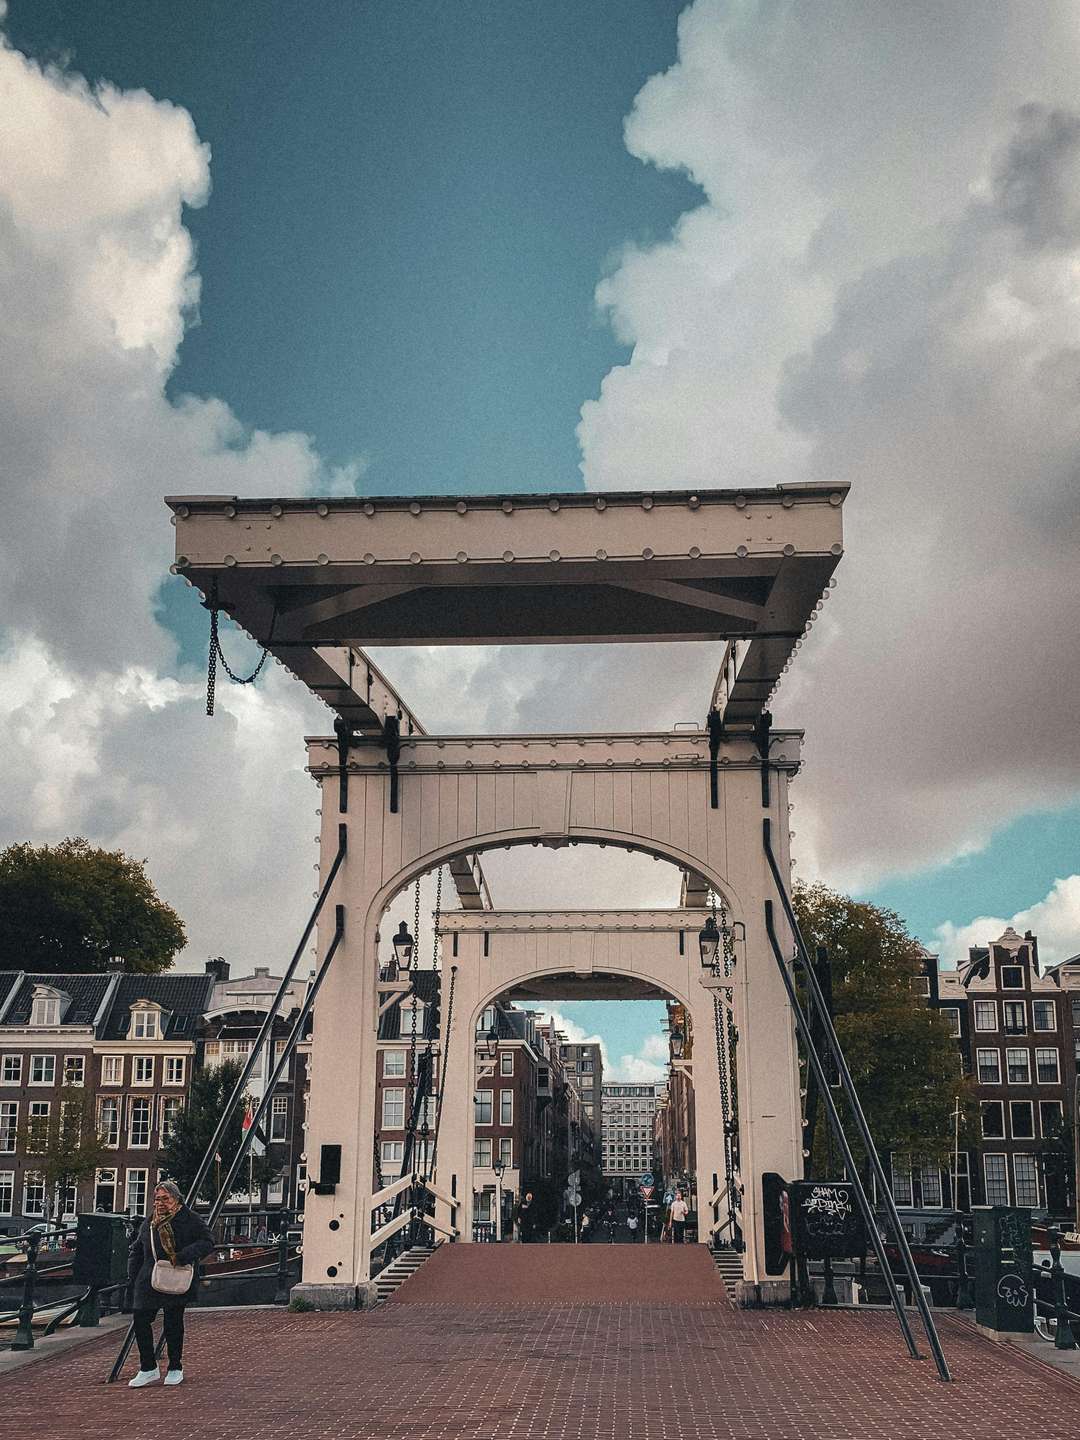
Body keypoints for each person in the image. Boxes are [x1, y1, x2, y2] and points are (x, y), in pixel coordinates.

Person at [126, 1179, 214, 1388]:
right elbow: (138, 1248)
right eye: (157, 1199)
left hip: (175, 1275)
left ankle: (175, 1367)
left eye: (165, 1198)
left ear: (176, 1199)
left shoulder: (189, 1219)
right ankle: (148, 1367)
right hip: (149, 1277)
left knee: (173, 1322)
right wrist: (132, 1276)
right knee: (140, 1319)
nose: (161, 1203)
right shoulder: (150, 1222)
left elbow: (207, 1241)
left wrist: (184, 1256)